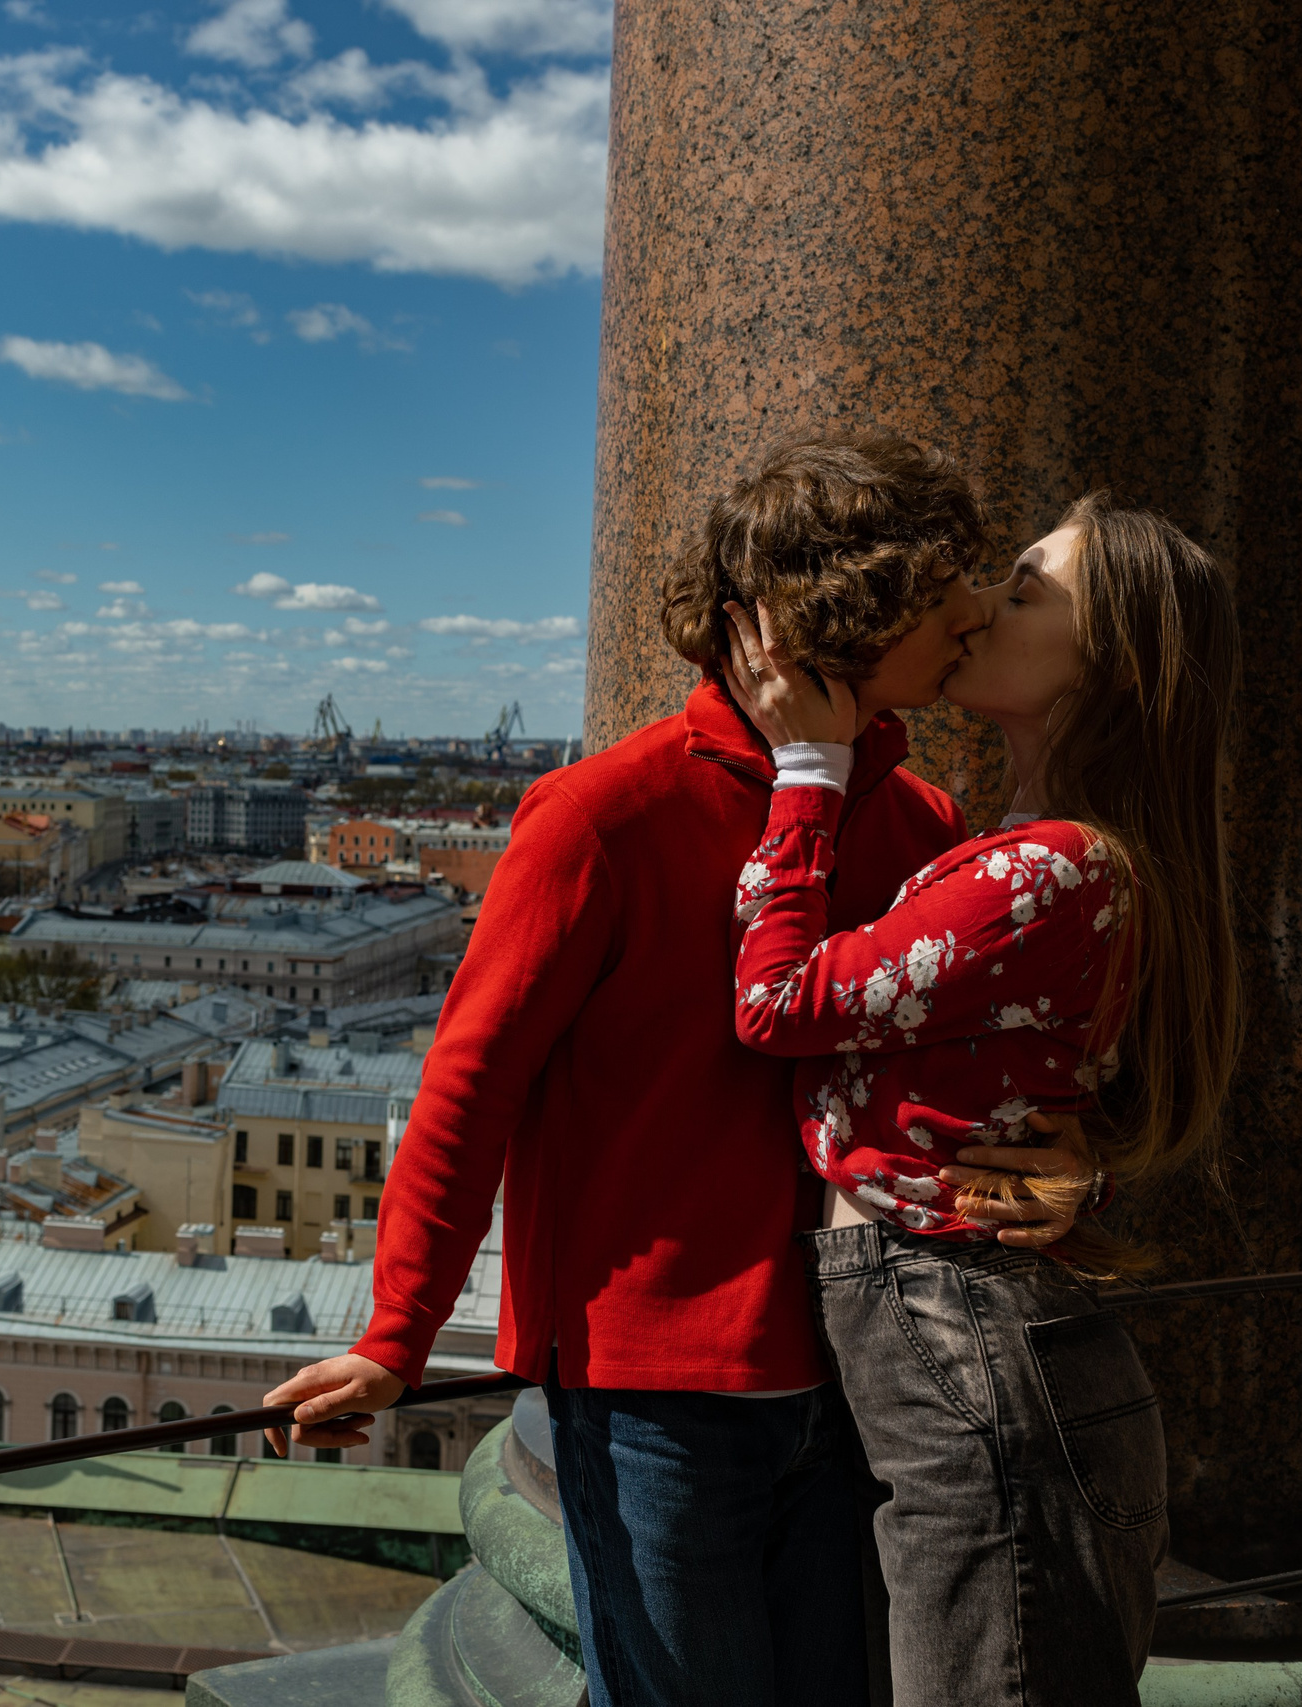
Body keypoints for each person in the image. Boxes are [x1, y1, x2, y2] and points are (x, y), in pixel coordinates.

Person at [264, 431, 1095, 1707]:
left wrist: (1068, 1151)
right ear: (849, 613)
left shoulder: (918, 820)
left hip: (862, 1367)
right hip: (655, 1396)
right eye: (944, 590)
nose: (975, 611)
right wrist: (397, 1334)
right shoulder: (598, 816)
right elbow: (467, 1092)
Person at [719, 493, 1239, 1706]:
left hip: (961, 1332)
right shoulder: (1051, 850)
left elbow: (778, 1003)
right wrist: (1083, 1170)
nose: (971, 609)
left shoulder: (1049, 864)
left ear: (1109, 663)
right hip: (981, 1339)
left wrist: (807, 771)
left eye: (1021, 589)